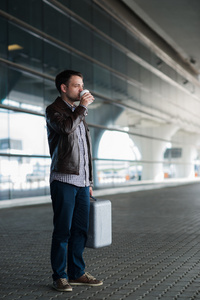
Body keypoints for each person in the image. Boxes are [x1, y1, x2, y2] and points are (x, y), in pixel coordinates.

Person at [45, 70, 103, 292]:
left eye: (82, 85)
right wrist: (82, 108)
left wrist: (89, 182)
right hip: (63, 180)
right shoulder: (54, 110)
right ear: (64, 88)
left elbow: (85, 152)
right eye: (77, 86)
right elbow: (65, 129)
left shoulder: (78, 112)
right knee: (63, 231)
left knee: (80, 230)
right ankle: (59, 276)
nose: (82, 89)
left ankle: (77, 272)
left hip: (81, 183)